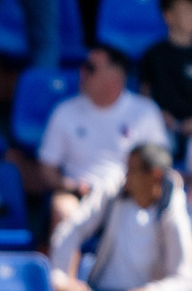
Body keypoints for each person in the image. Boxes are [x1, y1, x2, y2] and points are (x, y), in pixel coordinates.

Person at [30, 42, 172, 229]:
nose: (82, 72)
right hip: (79, 196)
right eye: (83, 66)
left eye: (91, 68)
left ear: (116, 76)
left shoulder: (145, 112)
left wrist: (133, 187)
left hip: (129, 196)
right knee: (62, 208)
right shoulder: (64, 111)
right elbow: (47, 167)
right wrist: (68, 185)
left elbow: (159, 163)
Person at [47, 141, 192, 291]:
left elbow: (184, 277)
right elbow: (73, 229)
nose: (126, 176)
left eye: (132, 170)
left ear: (155, 175)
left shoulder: (174, 208)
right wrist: (63, 278)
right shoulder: (112, 190)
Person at [142, 0, 192, 154]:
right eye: (186, 11)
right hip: (163, 125)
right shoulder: (153, 54)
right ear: (168, 16)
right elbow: (145, 94)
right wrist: (158, 115)